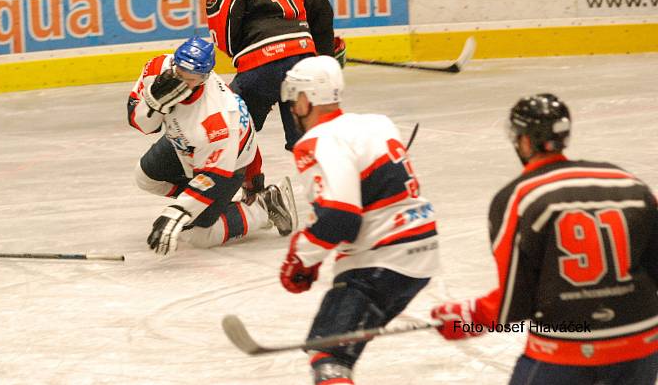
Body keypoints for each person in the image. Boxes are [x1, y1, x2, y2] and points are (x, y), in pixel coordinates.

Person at [430, 93, 658, 385]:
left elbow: (517, 299)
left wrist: (469, 317)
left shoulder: (520, 197)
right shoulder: (627, 182)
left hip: (568, 343)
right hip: (640, 341)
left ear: (524, 141)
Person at [277, 55, 439, 385]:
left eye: (294, 100)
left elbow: (340, 217)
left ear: (307, 99)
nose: (293, 108)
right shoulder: (376, 122)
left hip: (382, 260)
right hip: (422, 250)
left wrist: (300, 258)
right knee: (337, 348)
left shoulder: (316, 142)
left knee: (330, 357)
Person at [126, 36, 297, 255]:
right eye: (179, 72)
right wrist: (153, 103)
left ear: (204, 78)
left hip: (228, 167)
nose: (181, 82)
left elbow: (212, 176)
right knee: (144, 177)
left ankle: (264, 206)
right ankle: (206, 207)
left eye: (191, 78)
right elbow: (142, 125)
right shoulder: (157, 67)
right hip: (183, 145)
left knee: (199, 236)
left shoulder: (218, 116)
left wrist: (178, 211)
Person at [201, 0, 346, 164]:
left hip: (261, 66)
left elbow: (224, 36)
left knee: (229, 132)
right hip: (303, 64)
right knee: (306, 138)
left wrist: (257, 75)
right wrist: (324, 57)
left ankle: (250, 189)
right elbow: (322, 14)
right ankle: (340, 180)